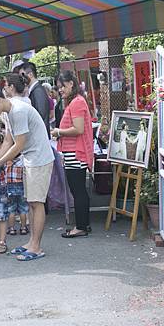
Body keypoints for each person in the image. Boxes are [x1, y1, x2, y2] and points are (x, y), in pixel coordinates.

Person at [0, 85, 54, 261]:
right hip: (31, 159)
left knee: (37, 203)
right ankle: (31, 243)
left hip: (39, 158)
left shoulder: (17, 111)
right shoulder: (8, 111)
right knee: (31, 202)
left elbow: (18, 145)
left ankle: (36, 247)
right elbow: (7, 141)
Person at [51, 70, 94, 238]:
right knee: (79, 191)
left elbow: (78, 129)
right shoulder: (76, 101)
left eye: (62, 86)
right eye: (58, 87)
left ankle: (81, 227)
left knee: (78, 191)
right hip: (75, 152)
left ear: (71, 83)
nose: (60, 90)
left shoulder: (76, 102)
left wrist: (59, 132)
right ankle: (84, 225)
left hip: (75, 152)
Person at [2, 73, 31, 236]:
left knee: (12, 204)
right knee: (25, 202)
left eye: (6, 86)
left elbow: (12, 140)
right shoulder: (28, 101)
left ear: (11, 87)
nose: (5, 89)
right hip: (25, 157)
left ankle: (13, 227)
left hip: (18, 152)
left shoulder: (14, 106)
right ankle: (24, 226)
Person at [20, 62, 50, 137]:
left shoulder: (38, 91)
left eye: (22, 75)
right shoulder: (35, 90)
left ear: (30, 74)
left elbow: (40, 114)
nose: (21, 79)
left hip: (40, 136)